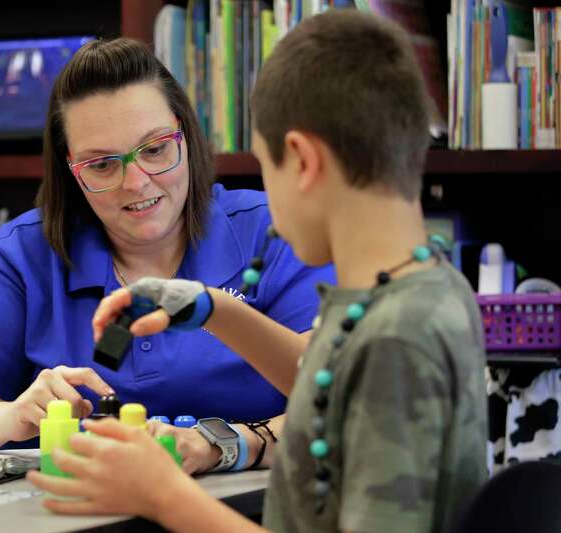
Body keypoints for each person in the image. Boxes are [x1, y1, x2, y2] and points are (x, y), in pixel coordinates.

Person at [27, 10, 488, 533]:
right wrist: (209, 307)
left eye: (267, 169)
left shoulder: (397, 340)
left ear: (302, 161)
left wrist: (165, 496)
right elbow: (324, 380)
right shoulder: (420, 286)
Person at [0, 37, 334, 474]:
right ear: (70, 171)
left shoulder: (276, 234)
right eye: (102, 164)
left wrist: (223, 443)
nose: (136, 183)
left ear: (187, 137)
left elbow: (342, 401)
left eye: (155, 149)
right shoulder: (26, 256)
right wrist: (10, 417)